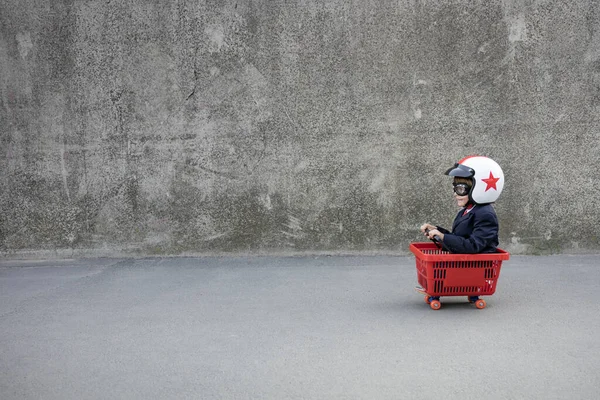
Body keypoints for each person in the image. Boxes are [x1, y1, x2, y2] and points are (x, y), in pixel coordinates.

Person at [420, 155, 505, 254]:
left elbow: (473, 246)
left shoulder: (485, 214)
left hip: (477, 266)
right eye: (455, 188)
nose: (455, 194)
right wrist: (437, 231)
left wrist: (443, 236)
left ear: (479, 188)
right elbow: (460, 239)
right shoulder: (467, 210)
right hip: (464, 264)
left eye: (460, 189)